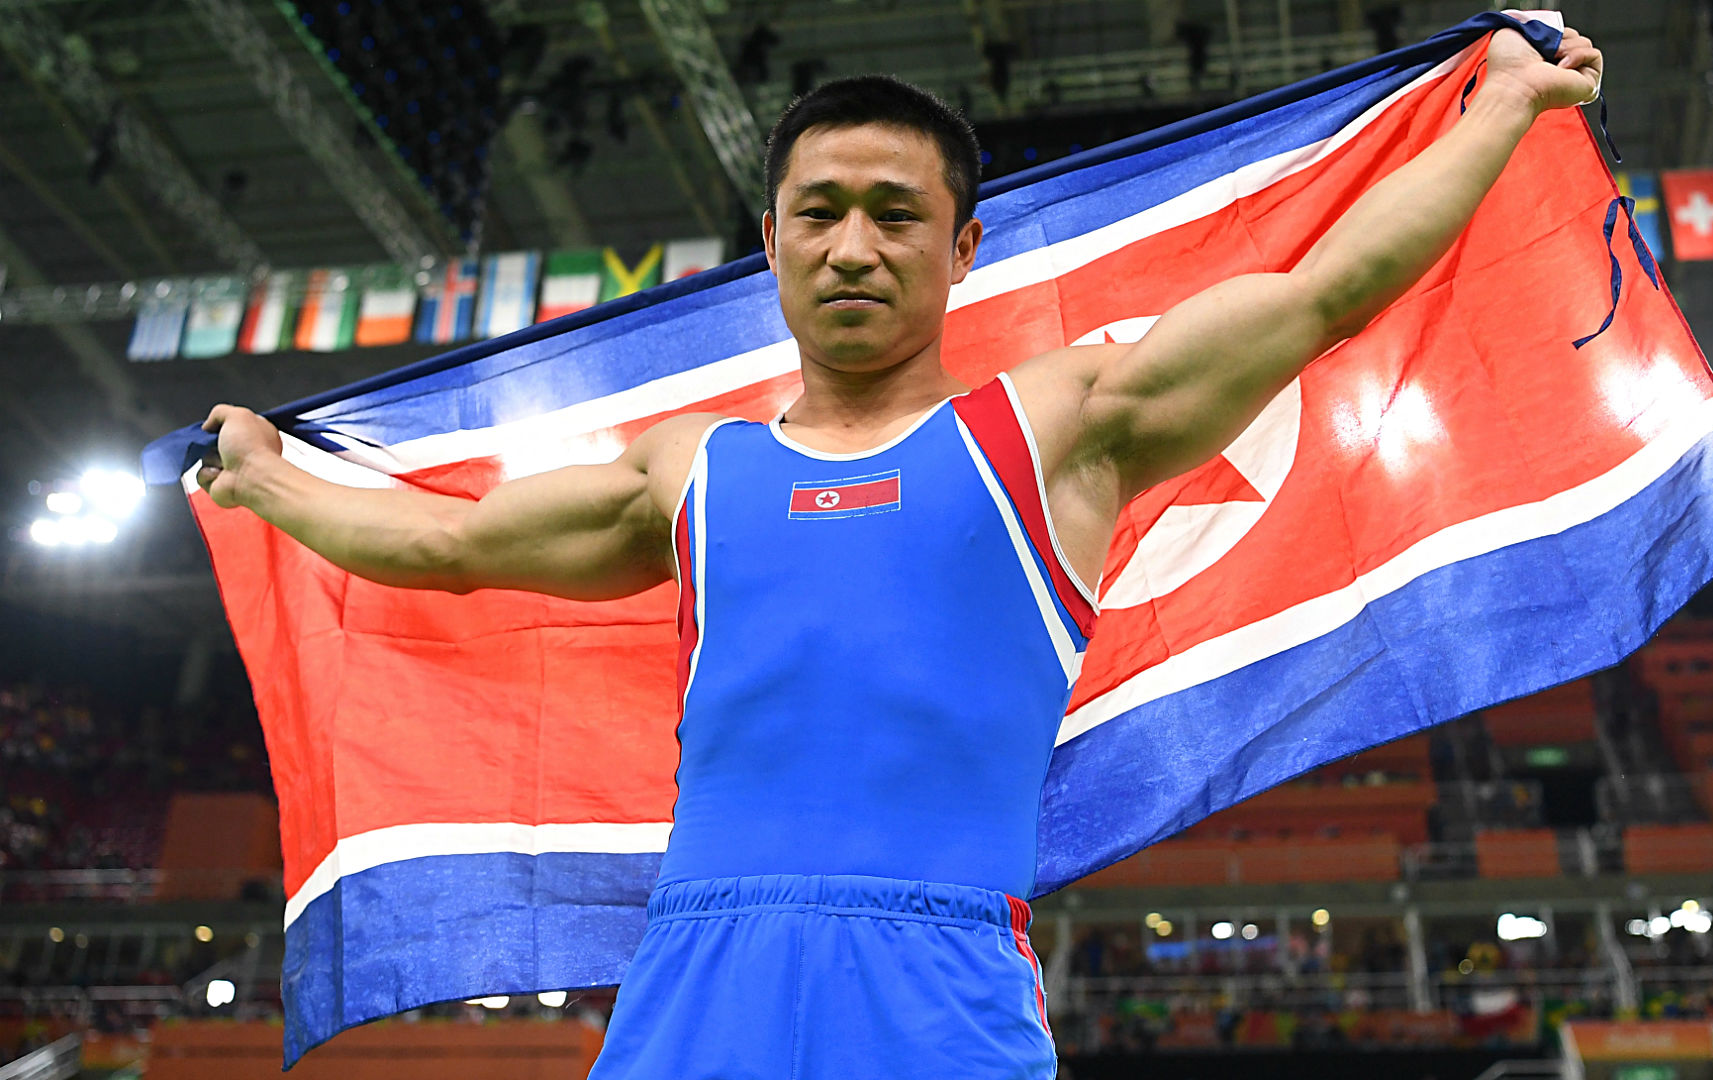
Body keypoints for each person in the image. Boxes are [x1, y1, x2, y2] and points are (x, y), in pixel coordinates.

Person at [194, 24, 1602, 1080]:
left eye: (895, 215)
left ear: (963, 247)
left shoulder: (1058, 428)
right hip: (698, 970)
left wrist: (1505, 105)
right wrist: (265, 482)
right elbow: (446, 545)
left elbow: (1326, 292)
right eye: (819, 212)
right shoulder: (690, 467)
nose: (853, 246)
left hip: (932, 975)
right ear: (771, 242)